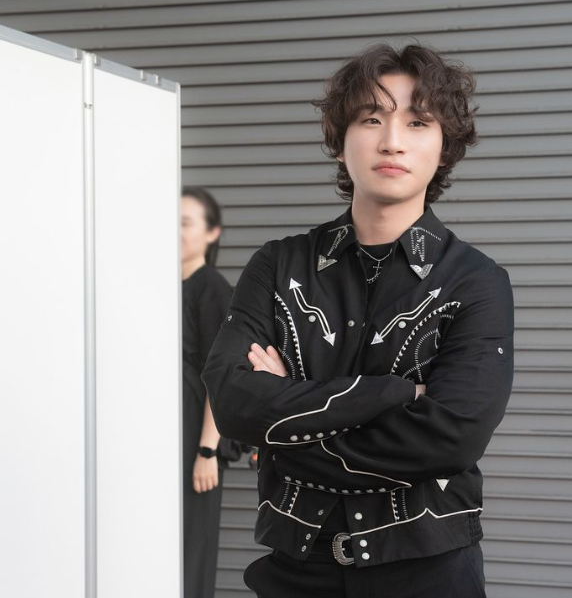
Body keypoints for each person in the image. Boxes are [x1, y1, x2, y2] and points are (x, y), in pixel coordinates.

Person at [201, 42, 514, 597]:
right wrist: (392, 393)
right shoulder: (278, 265)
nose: (392, 140)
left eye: (418, 122)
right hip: (294, 569)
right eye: (371, 118)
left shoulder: (476, 281)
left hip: (430, 571)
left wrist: (285, 425)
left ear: (444, 146)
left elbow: (451, 438)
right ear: (340, 137)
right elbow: (232, 401)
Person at [180, 186, 247, 598]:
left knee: (191, 551)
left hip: (195, 443)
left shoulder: (213, 290)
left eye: (185, 223)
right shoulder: (160, 289)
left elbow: (221, 377)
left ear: (211, 232)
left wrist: (207, 451)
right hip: (161, 445)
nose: (174, 231)